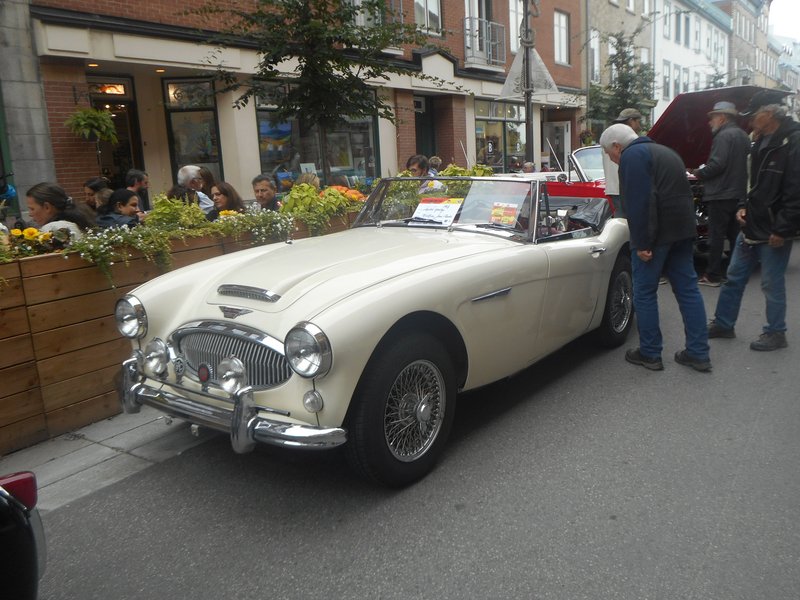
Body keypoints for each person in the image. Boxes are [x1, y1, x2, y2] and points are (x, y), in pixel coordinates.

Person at [599, 123, 711, 372]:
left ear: (617, 146)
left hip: (657, 234)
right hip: (683, 230)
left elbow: (640, 201)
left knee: (645, 292)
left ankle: (650, 353)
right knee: (688, 290)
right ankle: (698, 352)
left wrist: (641, 242)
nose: (613, 159)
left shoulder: (633, 156)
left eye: (609, 153)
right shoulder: (666, 152)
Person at [708, 91, 800, 352]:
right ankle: (724, 324)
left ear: (769, 114)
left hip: (774, 228)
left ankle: (776, 332)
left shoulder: (792, 141)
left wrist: (783, 227)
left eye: (754, 116)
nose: (750, 121)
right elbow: (750, 183)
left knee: (771, 282)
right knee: (734, 276)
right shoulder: (759, 140)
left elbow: (796, 190)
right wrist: (742, 206)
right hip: (751, 224)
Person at [691, 102, 750, 287]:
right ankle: (735, 273)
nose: (710, 123)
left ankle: (713, 275)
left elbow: (717, 165)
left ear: (722, 118)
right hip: (738, 193)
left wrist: (699, 172)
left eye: (712, 119)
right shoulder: (743, 135)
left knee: (716, 236)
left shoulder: (723, 136)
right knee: (734, 236)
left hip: (720, 193)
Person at [604, 108, 643, 218]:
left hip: (614, 186)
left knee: (622, 217)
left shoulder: (610, 133)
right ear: (631, 121)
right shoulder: (625, 137)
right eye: (638, 121)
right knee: (626, 219)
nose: (639, 126)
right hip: (622, 186)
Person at [25, 182, 94, 240]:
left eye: (32, 209)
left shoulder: (52, 229)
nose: (30, 214)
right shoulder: (77, 219)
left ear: (47, 207)